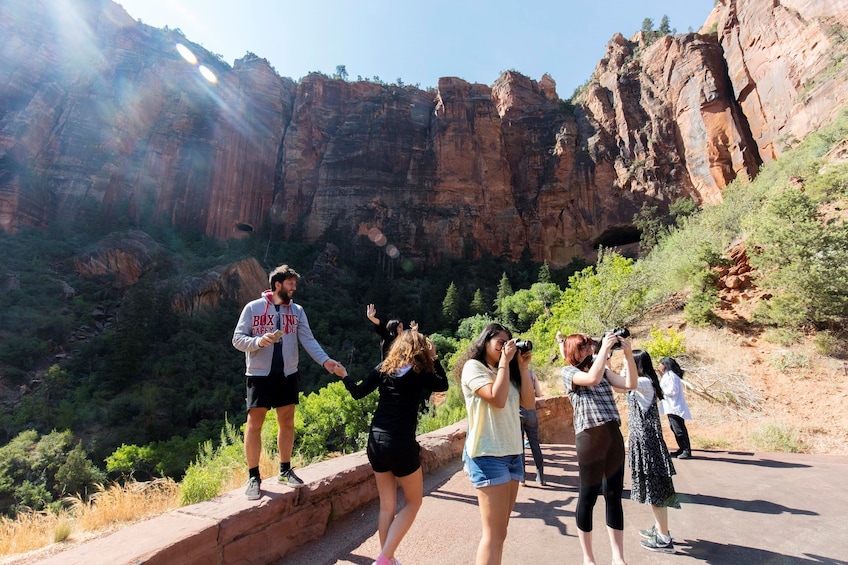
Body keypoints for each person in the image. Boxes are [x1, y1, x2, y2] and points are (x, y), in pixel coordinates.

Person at [335, 330, 448, 565]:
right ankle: (384, 559)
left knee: (386, 506)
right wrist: (435, 357)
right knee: (414, 502)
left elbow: (357, 392)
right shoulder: (421, 372)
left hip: (375, 441)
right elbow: (443, 384)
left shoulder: (384, 368)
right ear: (420, 350)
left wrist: (345, 376)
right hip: (400, 443)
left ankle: (388, 559)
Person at [232, 264, 339, 500]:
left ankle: (284, 469)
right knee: (255, 423)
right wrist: (258, 342)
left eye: (295, 284)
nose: (294, 288)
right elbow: (237, 340)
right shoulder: (253, 308)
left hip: (288, 374)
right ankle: (253, 476)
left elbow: (308, 340)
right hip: (259, 375)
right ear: (277, 284)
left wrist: (326, 362)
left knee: (287, 421)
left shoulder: (297, 311)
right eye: (291, 284)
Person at [457, 323, 536, 565]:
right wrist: (504, 362)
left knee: (501, 532)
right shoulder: (473, 367)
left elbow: (529, 404)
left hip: (513, 453)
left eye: (508, 342)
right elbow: (497, 399)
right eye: (500, 342)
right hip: (488, 454)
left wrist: (522, 367)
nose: (505, 346)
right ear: (485, 342)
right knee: (492, 534)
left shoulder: (507, 372)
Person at [559, 332, 637, 565]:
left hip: (612, 434)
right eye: (583, 346)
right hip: (589, 436)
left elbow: (629, 384)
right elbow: (591, 379)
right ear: (573, 350)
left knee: (614, 496)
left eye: (590, 345)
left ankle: (618, 557)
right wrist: (603, 348)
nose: (589, 348)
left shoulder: (600, 367)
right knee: (588, 496)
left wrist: (629, 354)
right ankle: (588, 558)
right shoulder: (568, 372)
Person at [621, 350, 679, 554]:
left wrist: (611, 358)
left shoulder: (643, 382)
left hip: (648, 444)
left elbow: (621, 383)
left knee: (655, 491)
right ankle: (660, 528)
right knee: (654, 490)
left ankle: (664, 539)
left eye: (628, 363)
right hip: (644, 441)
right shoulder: (644, 381)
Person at [658, 356, 692, 459]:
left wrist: (661, 392)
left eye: (660, 364)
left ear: (665, 365)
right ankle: (682, 448)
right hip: (671, 406)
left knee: (679, 429)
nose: (659, 366)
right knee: (675, 428)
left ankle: (686, 450)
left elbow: (673, 391)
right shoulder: (667, 375)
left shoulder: (671, 376)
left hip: (675, 407)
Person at [519, 369, 545, 486]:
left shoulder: (512, 373)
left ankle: (522, 478)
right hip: (531, 412)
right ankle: (541, 477)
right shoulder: (531, 373)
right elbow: (539, 393)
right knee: (535, 444)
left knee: (520, 447)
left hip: (517, 412)